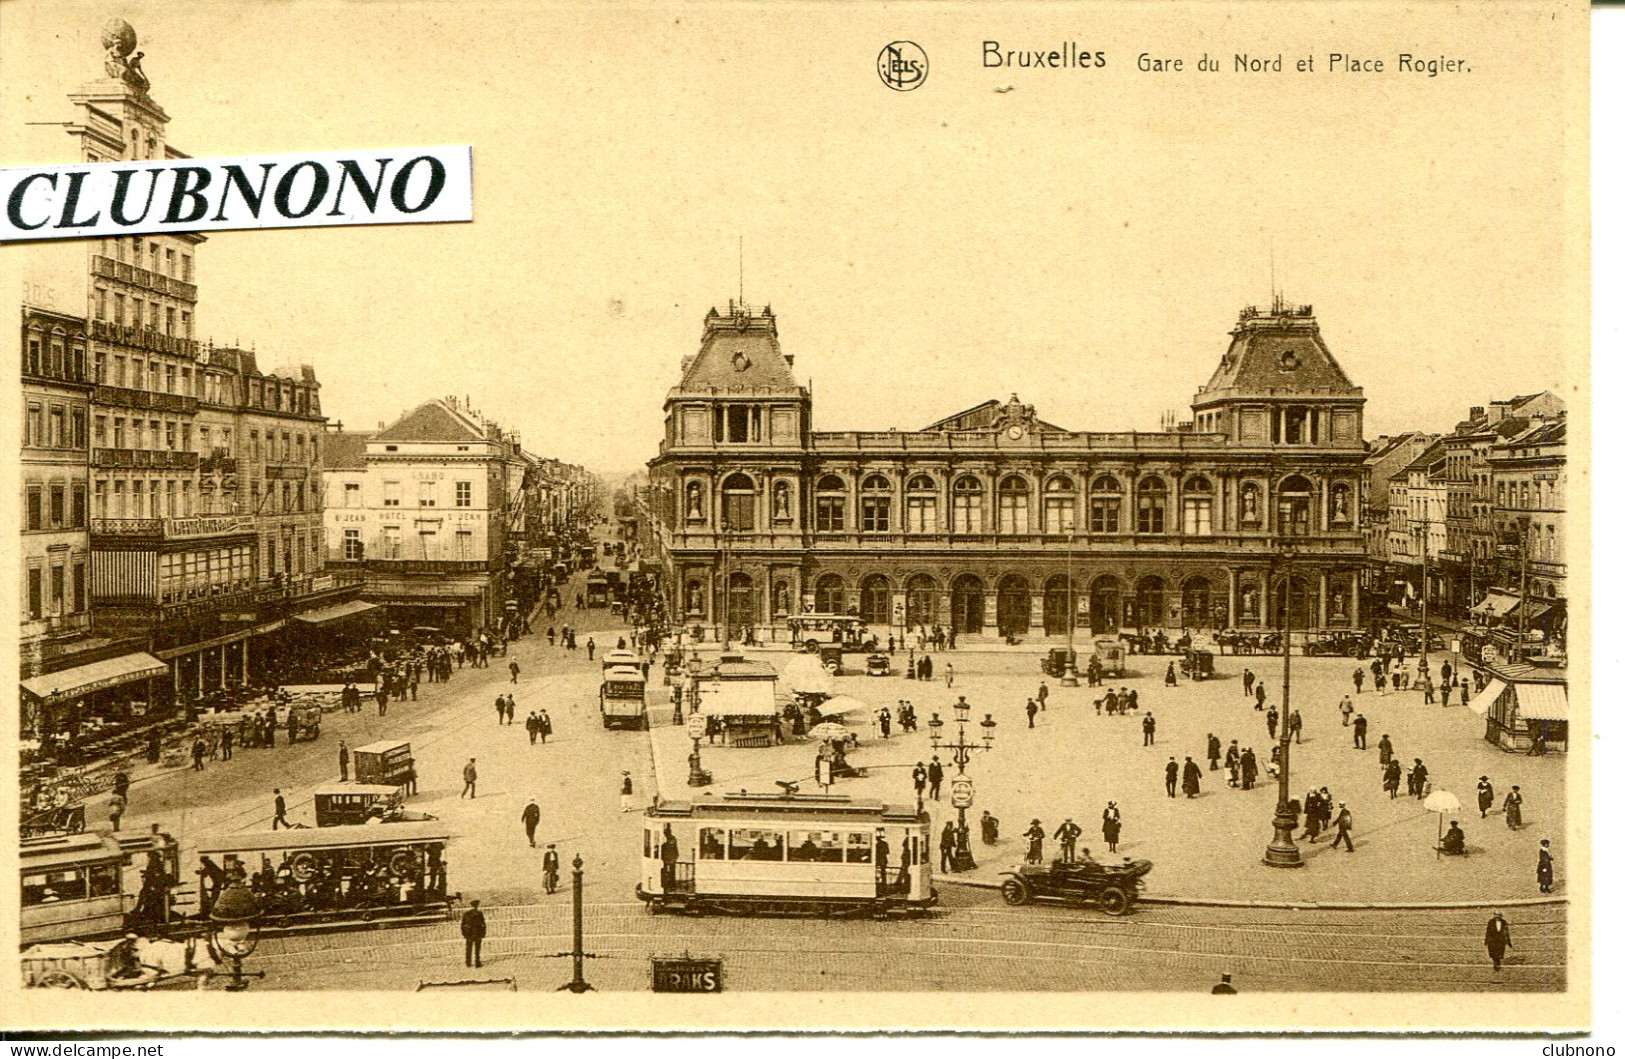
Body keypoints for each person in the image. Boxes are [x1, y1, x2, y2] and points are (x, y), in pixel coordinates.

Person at [461, 900, 487, 968]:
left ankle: (468, 962)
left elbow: (463, 924)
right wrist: (483, 932)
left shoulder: (466, 913)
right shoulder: (479, 913)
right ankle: (477, 962)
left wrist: (464, 933)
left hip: (469, 933)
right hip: (477, 933)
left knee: (468, 948)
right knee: (477, 948)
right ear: (477, 905)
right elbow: (483, 924)